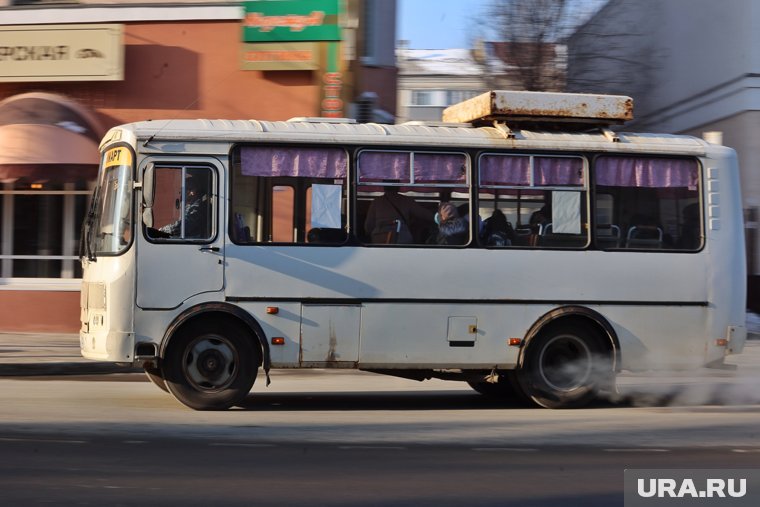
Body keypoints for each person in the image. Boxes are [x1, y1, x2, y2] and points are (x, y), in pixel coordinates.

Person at [364, 186, 434, 244]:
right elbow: (424, 214)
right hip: (402, 238)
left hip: (379, 238)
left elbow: (368, 227)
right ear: (398, 186)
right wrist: (440, 217)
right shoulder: (406, 200)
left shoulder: (376, 201)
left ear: (384, 187)